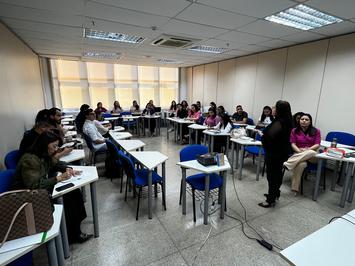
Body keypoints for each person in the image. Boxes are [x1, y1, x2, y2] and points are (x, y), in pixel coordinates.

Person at [12, 131, 92, 244]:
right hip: (27, 198)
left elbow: (55, 163)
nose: (56, 149)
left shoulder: (43, 154)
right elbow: (34, 186)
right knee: (69, 199)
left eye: (57, 146)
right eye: (54, 146)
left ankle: (75, 229)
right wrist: (58, 179)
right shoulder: (30, 160)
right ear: (44, 144)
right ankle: (72, 235)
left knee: (74, 192)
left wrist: (68, 168)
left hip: (38, 191)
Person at [259, 100, 292, 208]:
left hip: (274, 153)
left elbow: (268, 137)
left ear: (279, 110)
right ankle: (275, 193)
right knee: (277, 175)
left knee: (272, 176)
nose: (273, 109)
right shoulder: (287, 121)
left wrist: (262, 135)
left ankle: (270, 200)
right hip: (282, 152)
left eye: (275, 107)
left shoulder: (279, 122)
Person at [284, 113, 321, 195]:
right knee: (301, 165)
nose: (304, 121)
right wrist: (299, 151)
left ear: (310, 121)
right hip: (299, 153)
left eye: (306, 119)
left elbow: (317, 144)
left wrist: (307, 150)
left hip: (312, 155)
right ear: (299, 121)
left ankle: (288, 163)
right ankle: (295, 189)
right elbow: (293, 144)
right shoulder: (294, 130)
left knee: (311, 152)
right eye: (302, 119)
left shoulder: (316, 131)